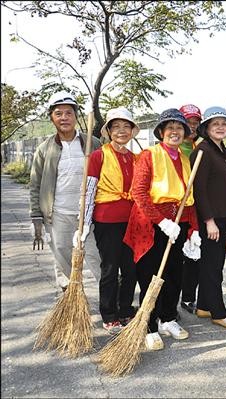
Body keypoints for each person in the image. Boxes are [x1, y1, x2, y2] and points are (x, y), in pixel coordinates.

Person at [123, 108, 201, 351]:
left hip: (179, 223)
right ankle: (149, 325)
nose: (175, 132)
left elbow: (188, 197)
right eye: (170, 128)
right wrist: (162, 222)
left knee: (174, 274)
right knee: (150, 275)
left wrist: (193, 230)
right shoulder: (149, 155)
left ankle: (168, 318)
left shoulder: (186, 159)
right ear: (161, 132)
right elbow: (139, 193)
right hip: (151, 223)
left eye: (180, 128)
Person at [29, 90, 102, 291]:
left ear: (76, 116)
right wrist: (36, 216)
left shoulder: (92, 143)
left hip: (89, 214)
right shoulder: (45, 149)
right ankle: (70, 301)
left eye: (68, 113)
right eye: (58, 113)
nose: (64, 118)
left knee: (97, 258)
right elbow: (35, 184)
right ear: (52, 118)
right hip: (58, 214)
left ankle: (110, 305)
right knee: (62, 260)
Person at [80, 107, 140, 335]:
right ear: (109, 131)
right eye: (116, 126)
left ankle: (125, 308)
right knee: (110, 267)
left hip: (132, 220)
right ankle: (108, 313)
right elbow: (89, 190)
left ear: (132, 131)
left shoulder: (135, 158)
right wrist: (85, 223)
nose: (122, 131)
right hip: (107, 220)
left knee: (131, 268)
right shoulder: (99, 155)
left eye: (126, 126)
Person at [190, 106, 226, 329]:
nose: (220, 127)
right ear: (206, 128)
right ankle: (218, 312)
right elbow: (198, 190)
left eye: (224, 124)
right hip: (212, 219)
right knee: (213, 265)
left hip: (224, 215)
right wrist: (209, 220)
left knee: (213, 262)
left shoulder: (223, 150)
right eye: (215, 124)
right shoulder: (202, 151)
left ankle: (204, 305)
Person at [178, 103, 203, 313]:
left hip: (198, 206)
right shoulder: (175, 146)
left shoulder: (201, 145)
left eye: (196, 122)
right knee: (176, 257)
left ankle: (188, 297)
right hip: (177, 208)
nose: (192, 126)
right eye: (188, 122)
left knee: (195, 254)